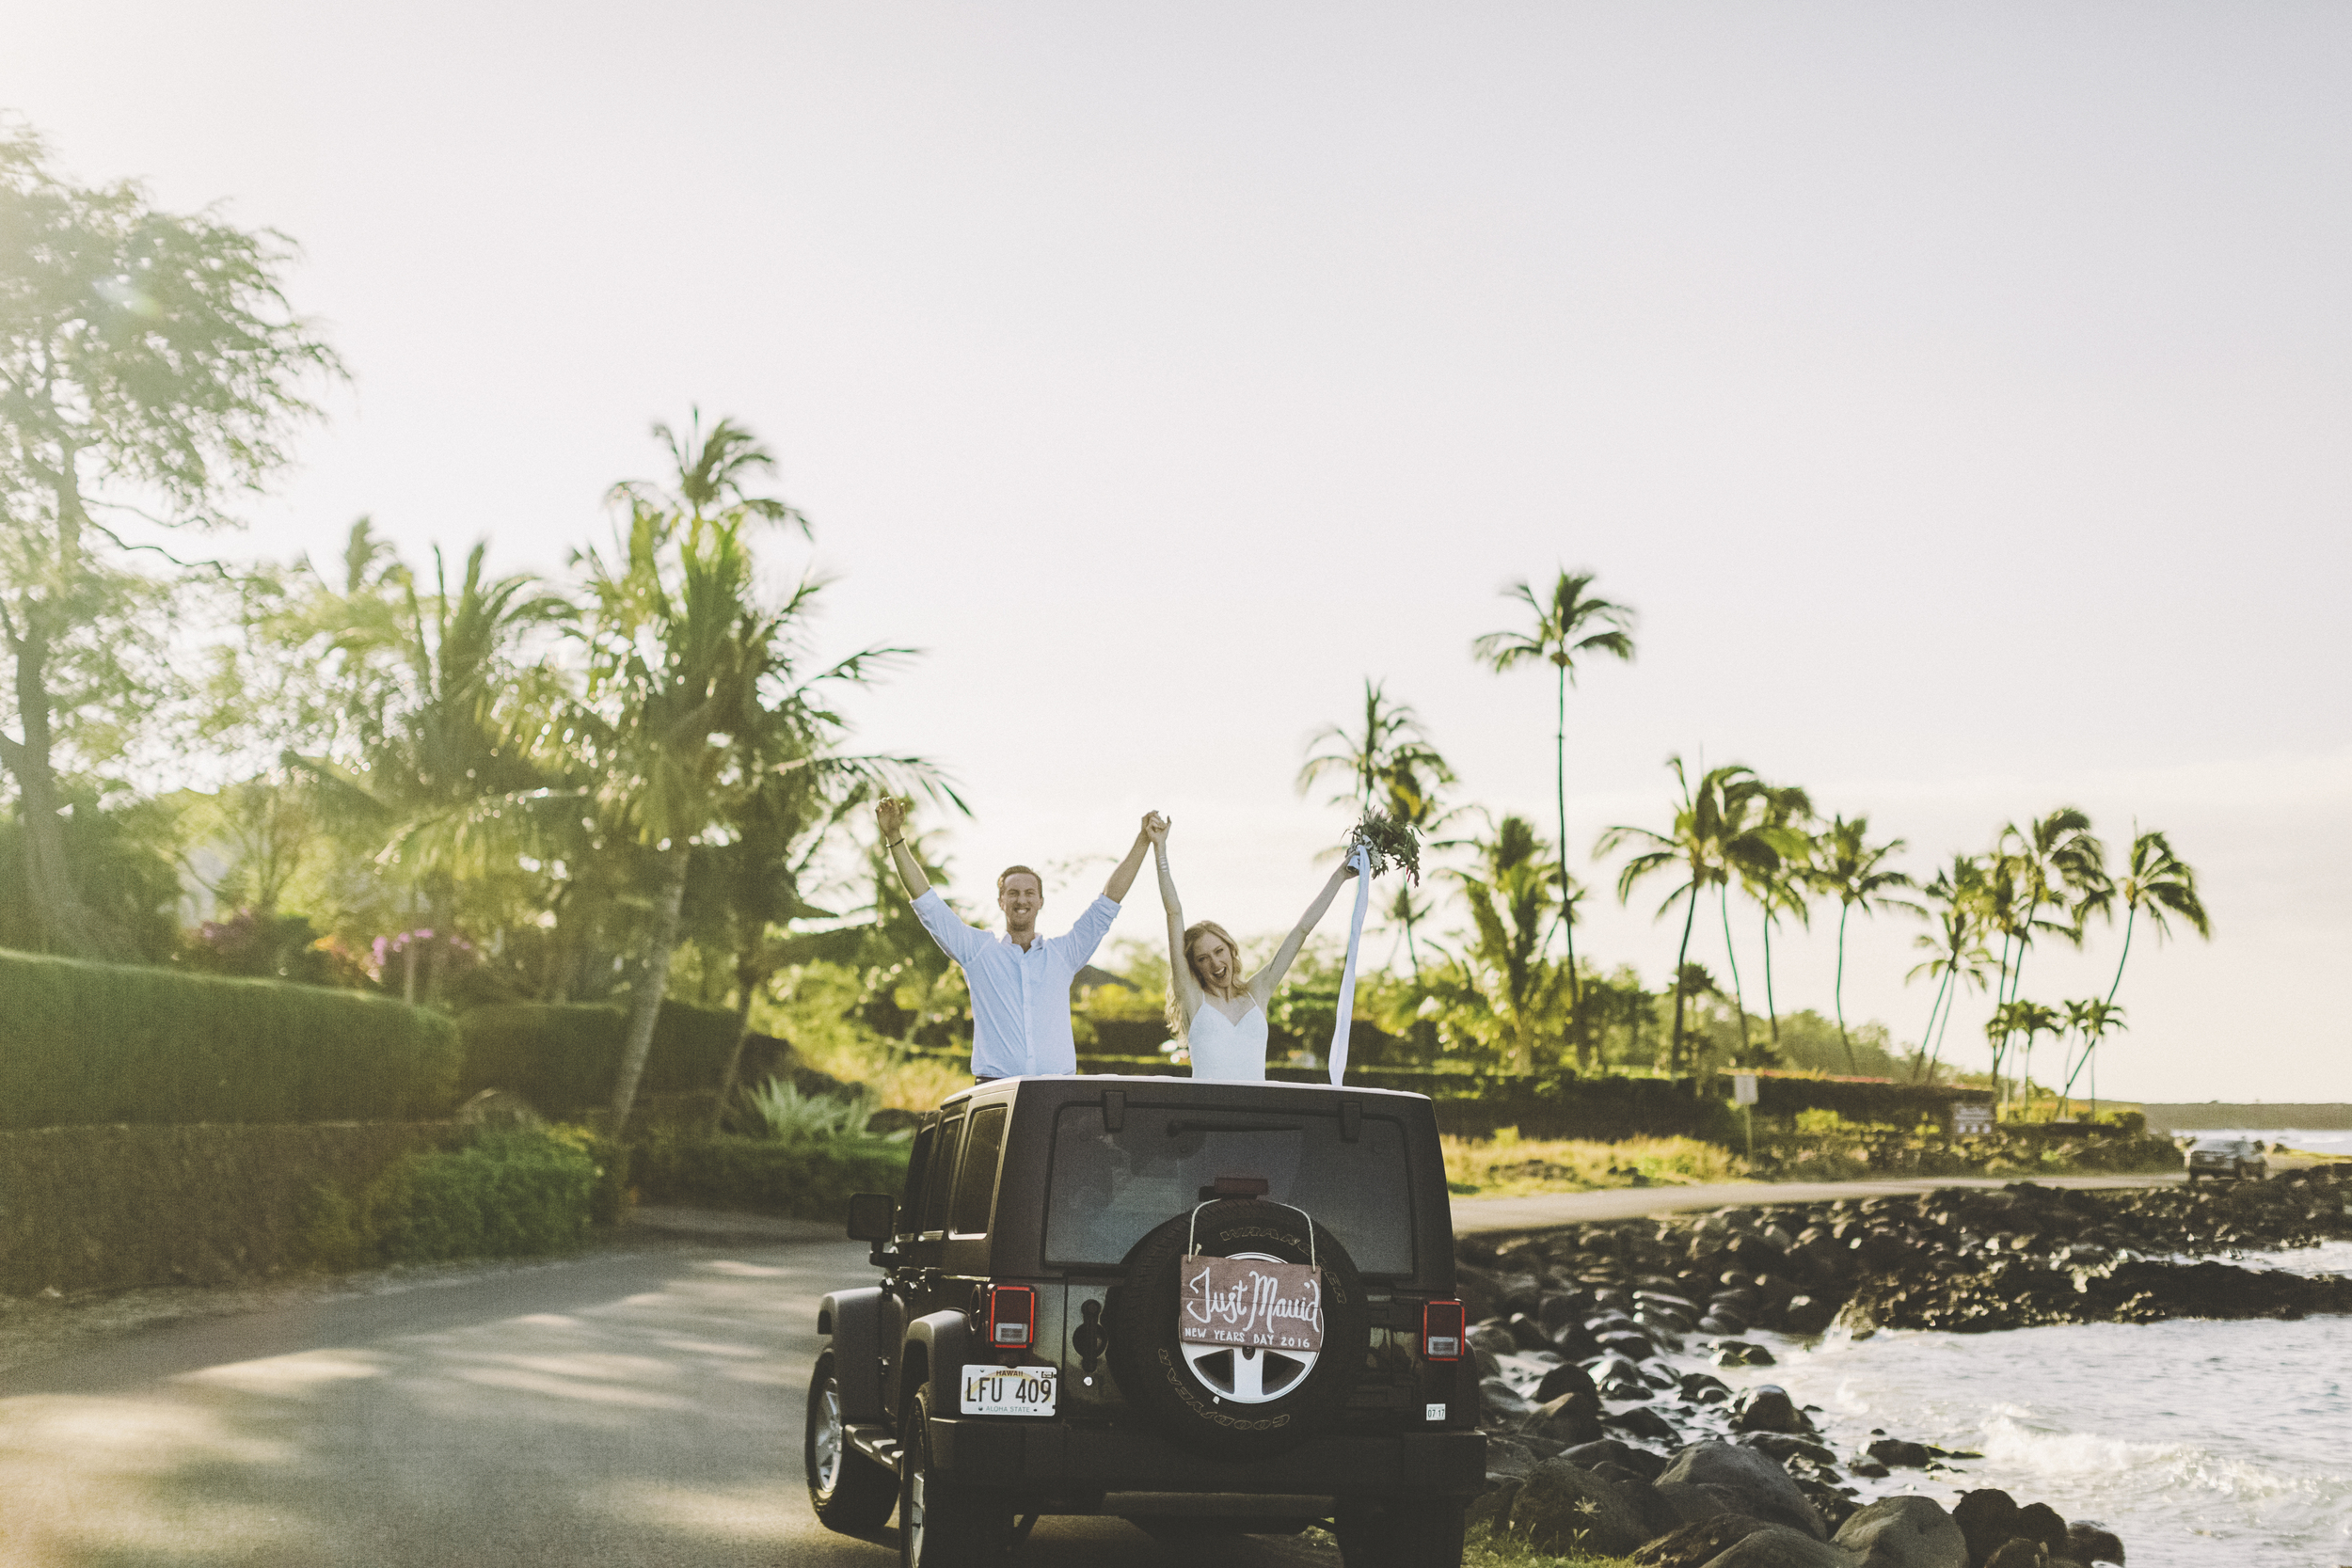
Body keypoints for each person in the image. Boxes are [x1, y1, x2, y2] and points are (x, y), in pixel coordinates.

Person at [878, 798, 1161, 1081]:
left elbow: (1108, 902)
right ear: (1001, 901)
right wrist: (894, 838)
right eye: (1012, 893)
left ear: (1040, 901)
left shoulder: (1064, 954)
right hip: (994, 1091)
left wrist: (1142, 841)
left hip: (1056, 1092)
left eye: (1029, 893)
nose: (1021, 899)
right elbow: (928, 904)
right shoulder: (978, 952)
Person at [1148, 816, 1357, 1082]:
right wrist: (1160, 850)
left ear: (1231, 950)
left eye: (1219, 951)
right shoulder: (1192, 998)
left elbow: (1301, 931)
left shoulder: (1258, 991)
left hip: (1255, 1117)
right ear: (1194, 967)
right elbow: (1173, 912)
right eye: (1203, 958)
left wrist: (1340, 876)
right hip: (1205, 1117)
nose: (1215, 963)